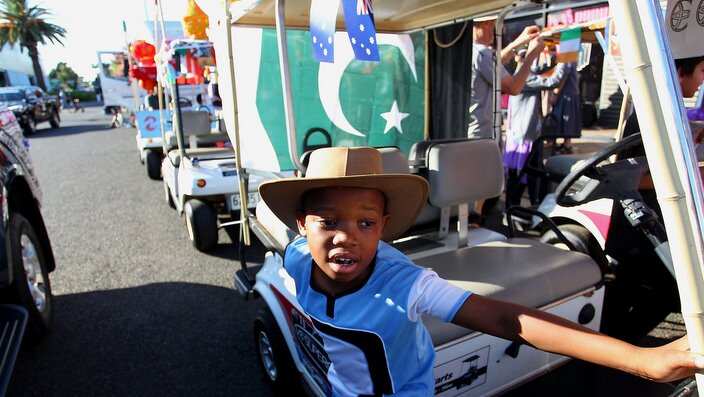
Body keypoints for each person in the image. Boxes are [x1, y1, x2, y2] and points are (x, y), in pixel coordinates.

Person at [258, 146, 702, 396]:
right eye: (328, 221)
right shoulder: (297, 256)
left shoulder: (404, 283)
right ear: (301, 225)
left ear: (384, 229)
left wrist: (643, 359)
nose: (345, 237)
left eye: (365, 223)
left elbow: (507, 319)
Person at [505, 50, 566, 207]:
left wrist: (555, 56)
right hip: (524, 136)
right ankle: (513, 210)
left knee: (530, 175)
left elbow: (541, 69)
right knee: (521, 175)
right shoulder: (525, 78)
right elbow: (553, 81)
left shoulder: (522, 73)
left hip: (527, 134)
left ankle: (527, 208)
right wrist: (566, 59)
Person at [468, 19, 545, 140]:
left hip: (471, 131)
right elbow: (514, 88)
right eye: (491, 24)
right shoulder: (481, 53)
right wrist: (531, 56)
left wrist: (517, 43)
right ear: (479, 26)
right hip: (481, 135)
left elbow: (495, 61)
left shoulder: (470, 51)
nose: (495, 30)